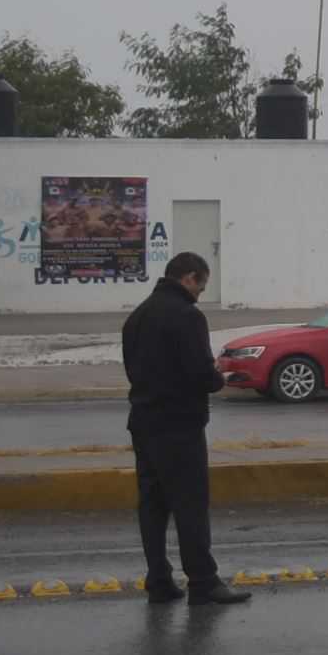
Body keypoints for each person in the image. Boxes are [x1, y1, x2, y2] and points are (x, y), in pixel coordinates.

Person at [120, 252, 247, 605]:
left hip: (143, 422)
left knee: (153, 504)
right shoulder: (187, 317)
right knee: (190, 505)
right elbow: (200, 374)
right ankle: (203, 582)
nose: (200, 294)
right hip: (179, 425)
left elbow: (134, 368)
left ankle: (158, 579)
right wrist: (219, 378)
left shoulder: (138, 316)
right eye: (201, 286)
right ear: (189, 277)